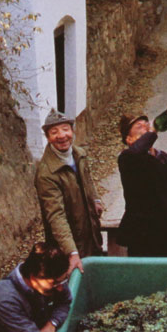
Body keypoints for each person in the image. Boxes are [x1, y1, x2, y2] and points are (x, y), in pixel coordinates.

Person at [34, 108, 105, 274]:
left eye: (65, 129)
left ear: (72, 131)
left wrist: (95, 200)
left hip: (90, 233)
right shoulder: (46, 174)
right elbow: (56, 216)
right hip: (69, 244)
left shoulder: (79, 154)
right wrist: (71, 252)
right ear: (48, 138)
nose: (61, 136)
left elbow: (87, 180)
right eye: (54, 132)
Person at [117, 114, 167, 257]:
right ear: (128, 139)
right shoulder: (127, 158)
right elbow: (137, 152)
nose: (145, 128)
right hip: (143, 237)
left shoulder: (165, 157)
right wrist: (152, 131)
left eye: (146, 124)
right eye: (139, 127)